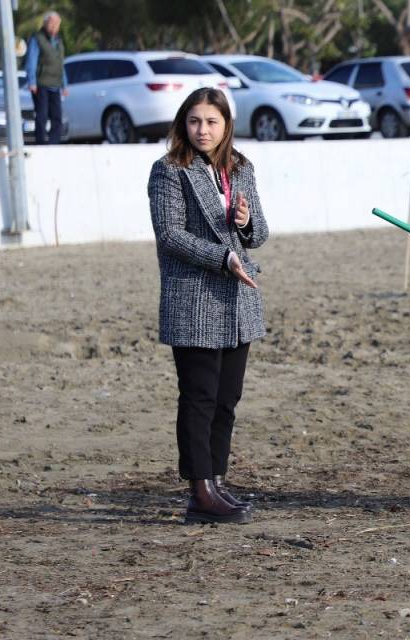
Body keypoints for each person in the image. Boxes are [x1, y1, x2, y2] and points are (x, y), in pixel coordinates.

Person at [148, 88, 268, 525]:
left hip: (239, 300)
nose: (203, 130)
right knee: (199, 397)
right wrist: (223, 257)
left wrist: (245, 221)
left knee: (226, 399)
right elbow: (170, 235)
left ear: (226, 125)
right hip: (194, 298)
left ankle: (216, 481)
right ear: (184, 122)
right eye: (195, 121)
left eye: (212, 122)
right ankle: (199, 491)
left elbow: (259, 233)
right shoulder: (168, 171)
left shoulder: (240, 167)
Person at [24, 11, 68, 144]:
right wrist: (32, 82)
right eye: (52, 23)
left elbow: (61, 64)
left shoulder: (59, 41)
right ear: (45, 24)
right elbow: (31, 62)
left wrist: (64, 85)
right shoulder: (37, 38)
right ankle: (41, 142)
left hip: (55, 85)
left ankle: (54, 143)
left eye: (57, 24)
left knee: (57, 117)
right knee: (42, 116)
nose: (54, 26)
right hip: (41, 84)